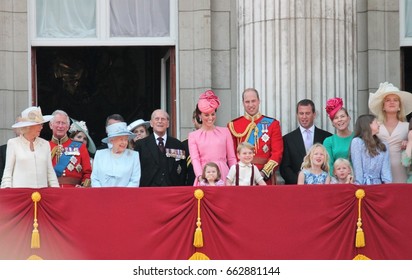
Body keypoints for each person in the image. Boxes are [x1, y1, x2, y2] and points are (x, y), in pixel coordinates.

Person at [228, 88, 283, 184]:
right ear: (243, 103)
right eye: (247, 102)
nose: (250, 105)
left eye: (253, 101)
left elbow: (277, 153)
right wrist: (239, 172)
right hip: (241, 178)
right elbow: (231, 153)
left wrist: (263, 174)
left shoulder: (273, 124)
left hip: (265, 177)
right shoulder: (233, 125)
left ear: (259, 101)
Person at [1, 106, 59, 188]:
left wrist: (56, 190)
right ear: (28, 127)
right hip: (20, 194)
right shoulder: (13, 143)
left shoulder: (45, 144)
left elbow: (50, 172)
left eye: (41, 124)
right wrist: (7, 191)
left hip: (41, 195)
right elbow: (8, 172)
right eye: (38, 124)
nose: (41, 127)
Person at [189, 90, 237, 185]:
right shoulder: (193, 136)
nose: (210, 118)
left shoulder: (225, 131)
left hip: (224, 174)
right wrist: (200, 177)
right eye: (206, 115)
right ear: (199, 116)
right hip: (204, 175)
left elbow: (231, 158)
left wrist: (234, 176)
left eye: (213, 114)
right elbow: (195, 159)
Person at [280, 99, 332, 184]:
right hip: (296, 189)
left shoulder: (327, 137)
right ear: (297, 115)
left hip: (322, 188)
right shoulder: (287, 139)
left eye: (307, 113)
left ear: (314, 114)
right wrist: (301, 183)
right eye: (301, 113)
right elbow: (284, 168)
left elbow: (330, 163)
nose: (304, 117)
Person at [368, 82, 412, 183]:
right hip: (379, 172)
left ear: (399, 106)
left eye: (395, 100)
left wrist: (408, 142)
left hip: (402, 171)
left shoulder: (407, 127)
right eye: (388, 100)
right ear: (383, 106)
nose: (392, 102)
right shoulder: (375, 126)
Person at [134, 109, 187, 186]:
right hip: (148, 191)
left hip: (172, 191)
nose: (160, 121)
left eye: (163, 119)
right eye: (157, 119)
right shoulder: (140, 145)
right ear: (151, 123)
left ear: (168, 124)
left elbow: (183, 170)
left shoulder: (178, 144)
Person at [49, 110, 92, 188]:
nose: (60, 126)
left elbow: (88, 172)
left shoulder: (80, 147)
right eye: (58, 122)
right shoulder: (44, 146)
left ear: (68, 127)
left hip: (73, 192)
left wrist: (83, 186)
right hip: (50, 191)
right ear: (51, 125)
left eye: (63, 123)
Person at [91, 122, 140, 187]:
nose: (124, 142)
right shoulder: (100, 154)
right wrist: (101, 194)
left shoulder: (134, 155)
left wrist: (123, 195)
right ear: (112, 140)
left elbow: (134, 181)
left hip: (125, 195)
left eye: (126, 139)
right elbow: (94, 179)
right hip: (101, 195)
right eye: (121, 139)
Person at [350, 114, 392, 185]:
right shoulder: (357, 142)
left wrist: (388, 187)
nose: (379, 124)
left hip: (378, 186)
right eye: (376, 122)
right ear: (368, 125)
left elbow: (386, 171)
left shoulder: (383, 145)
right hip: (363, 185)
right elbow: (357, 168)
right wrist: (358, 185)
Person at [323, 97, 354, 175]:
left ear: (349, 118)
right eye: (336, 118)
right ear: (332, 123)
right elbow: (329, 165)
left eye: (342, 116)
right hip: (336, 182)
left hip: (356, 181)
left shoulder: (357, 137)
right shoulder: (329, 141)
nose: (340, 119)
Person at [182, 109, 202, 185]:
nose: (201, 120)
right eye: (198, 117)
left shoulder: (216, 141)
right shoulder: (184, 144)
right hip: (191, 187)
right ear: (193, 120)